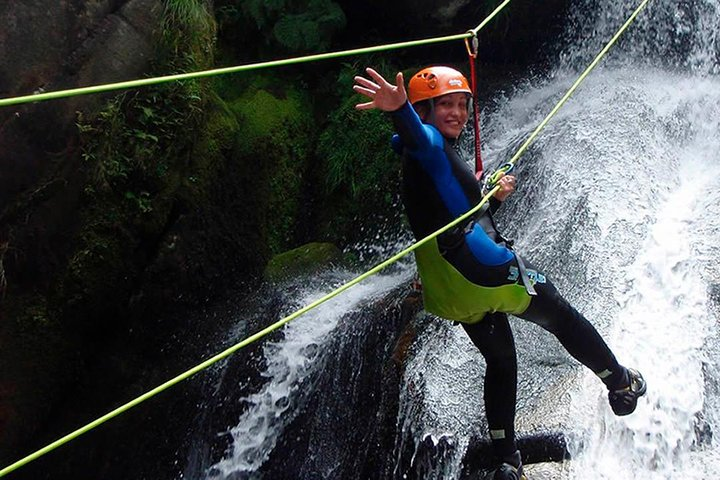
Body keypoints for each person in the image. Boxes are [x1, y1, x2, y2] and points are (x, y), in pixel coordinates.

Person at [353, 66, 647, 480]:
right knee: (560, 314)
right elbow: (423, 139)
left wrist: (492, 197)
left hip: (447, 288)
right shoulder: (428, 144)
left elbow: (456, 211)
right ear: (424, 111)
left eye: (460, 104)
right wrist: (400, 109)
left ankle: (507, 460)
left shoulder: (419, 162)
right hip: (480, 269)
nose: (455, 112)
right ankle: (620, 383)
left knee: (502, 358)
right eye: (444, 105)